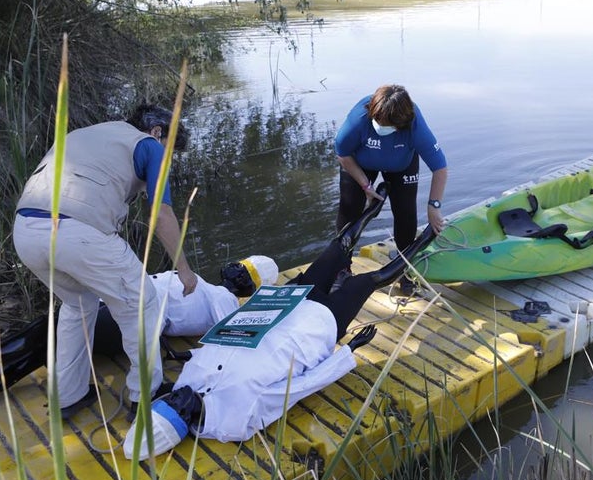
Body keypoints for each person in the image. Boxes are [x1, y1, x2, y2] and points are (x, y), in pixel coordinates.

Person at [123, 186, 438, 459]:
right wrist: (346, 352)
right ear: (182, 419)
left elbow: (216, 345)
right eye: (176, 403)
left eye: (169, 398)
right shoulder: (236, 420)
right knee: (373, 279)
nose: (177, 392)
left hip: (281, 308)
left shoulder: (185, 386)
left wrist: (183, 355)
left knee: (336, 250)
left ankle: (372, 210)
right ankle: (427, 238)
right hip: (313, 330)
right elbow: (299, 389)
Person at [0, 258, 280, 438]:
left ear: (248, 286)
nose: (232, 270)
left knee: (31, 342)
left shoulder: (222, 304)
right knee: (29, 349)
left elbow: (184, 328)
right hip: (111, 305)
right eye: (238, 265)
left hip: (118, 320)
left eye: (243, 272)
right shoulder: (205, 286)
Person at [12, 103, 199, 419]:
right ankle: (147, 395)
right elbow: (161, 213)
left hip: (25, 231)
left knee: (77, 305)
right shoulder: (150, 145)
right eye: (171, 151)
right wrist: (184, 269)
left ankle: (68, 397)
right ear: (156, 132)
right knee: (141, 301)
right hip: (75, 231)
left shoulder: (90, 134)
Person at [334, 84, 448, 252]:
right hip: (359, 164)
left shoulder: (415, 126)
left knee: (406, 212)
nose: (381, 127)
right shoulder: (358, 119)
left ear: (400, 124)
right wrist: (365, 185)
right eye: (378, 122)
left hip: (402, 165)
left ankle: (405, 267)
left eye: (387, 125)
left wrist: (434, 206)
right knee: (349, 210)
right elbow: (342, 153)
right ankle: (341, 266)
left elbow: (440, 168)